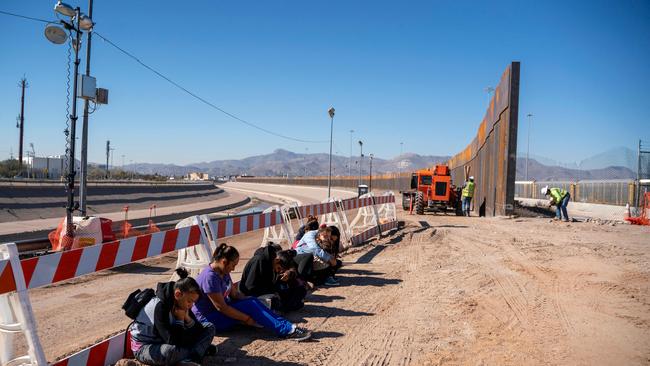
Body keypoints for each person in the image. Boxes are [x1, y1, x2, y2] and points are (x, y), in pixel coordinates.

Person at [191, 243, 312, 341]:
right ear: (224, 261)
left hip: (221, 311)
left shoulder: (223, 272)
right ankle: (287, 331)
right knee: (250, 305)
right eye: (233, 265)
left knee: (252, 301)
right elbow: (221, 308)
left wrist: (254, 302)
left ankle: (288, 326)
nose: (233, 269)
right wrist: (247, 319)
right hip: (208, 320)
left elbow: (235, 295)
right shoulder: (210, 277)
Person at [128, 268, 216, 366]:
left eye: (193, 302)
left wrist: (188, 319)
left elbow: (199, 330)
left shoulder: (182, 302)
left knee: (209, 327)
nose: (191, 306)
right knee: (169, 351)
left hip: (173, 340)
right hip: (146, 347)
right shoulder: (160, 306)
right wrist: (180, 320)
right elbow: (171, 340)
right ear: (178, 294)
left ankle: (192, 356)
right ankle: (198, 351)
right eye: (189, 301)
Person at [239, 243, 308, 312]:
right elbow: (250, 287)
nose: (279, 271)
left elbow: (272, 283)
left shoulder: (272, 262)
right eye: (279, 268)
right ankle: (285, 307)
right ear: (277, 260)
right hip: (253, 295)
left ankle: (286, 306)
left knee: (300, 290)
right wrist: (273, 292)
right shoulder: (260, 261)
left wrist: (288, 273)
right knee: (275, 301)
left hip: (268, 292)